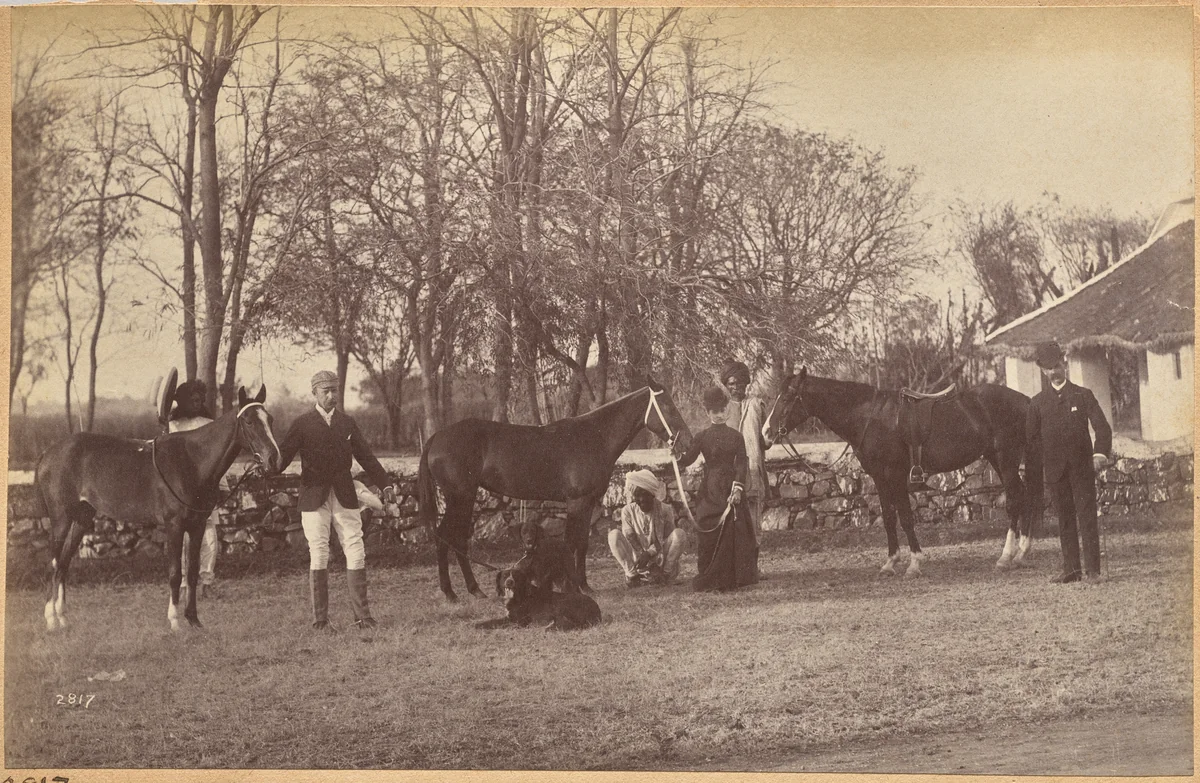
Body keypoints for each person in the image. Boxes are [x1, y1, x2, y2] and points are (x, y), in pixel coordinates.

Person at [279, 370, 396, 630]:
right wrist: (265, 463)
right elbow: (281, 459)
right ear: (315, 393)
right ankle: (320, 620)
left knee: (355, 549)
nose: (331, 395)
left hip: (345, 492)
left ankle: (363, 616)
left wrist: (386, 484)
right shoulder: (302, 424)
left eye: (335, 390)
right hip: (313, 495)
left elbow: (366, 457)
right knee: (319, 553)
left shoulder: (347, 423)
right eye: (326, 391)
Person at [1025, 342, 1112, 584]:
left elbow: (1102, 428)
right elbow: (1031, 441)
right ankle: (1071, 570)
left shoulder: (1083, 395)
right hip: (1055, 471)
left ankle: (1093, 571)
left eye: (1057, 366)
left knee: (1086, 517)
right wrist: (1043, 462)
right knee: (1064, 519)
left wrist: (1099, 455)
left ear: (1065, 363)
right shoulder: (1037, 403)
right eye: (1048, 369)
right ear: (1043, 371)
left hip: (1082, 468)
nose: (1054, 372)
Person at [677, 386, 758, 591]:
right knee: (708, 528)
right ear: (708, 413)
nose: (720, 415)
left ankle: (735, 576)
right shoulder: (702, 437)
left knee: (735, 526)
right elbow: (687, 459)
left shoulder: (736, 436)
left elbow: (741, 463)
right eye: (715, 412)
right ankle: (709, 574)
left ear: (728, 410)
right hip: (710, 491)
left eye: (723, 410)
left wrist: (738, 488)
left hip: (732, 489)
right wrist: (676, 454)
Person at [167, 379, 222, 599]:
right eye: (192, 398)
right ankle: (180, 585)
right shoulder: (172, 426)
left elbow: (218, 456)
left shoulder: (209, 424)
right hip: (179, 491)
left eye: (200, 399)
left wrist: (222, 483)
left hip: (205, 488)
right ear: (182, 401)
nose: (197, 402)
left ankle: (206, 582)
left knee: (209, 535)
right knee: (178, 536)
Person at [721, 359, 768, 576]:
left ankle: (753, 568)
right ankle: (732, 567)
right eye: (732, 384)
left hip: (753, 471)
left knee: (754, 520)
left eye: (740, 383)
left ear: (746, 384)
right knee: (730, 520)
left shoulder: (757, 405)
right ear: (726, 385)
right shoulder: (721, 410)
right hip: (728, 474)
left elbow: (766, 439)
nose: (736, 388)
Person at [607, 470, 687, 588]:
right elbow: (629, 536)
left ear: (652, 495)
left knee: (679, 534)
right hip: (639, 559)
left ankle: (665, 575)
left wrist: (650, 554)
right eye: (637, 495)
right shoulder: (628, 511)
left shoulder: (665, 509)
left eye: (644, 495)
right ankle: (633, 576)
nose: (641, 499)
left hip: (660, 557)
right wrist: (643, 555)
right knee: (613, 535)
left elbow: (666, 538)